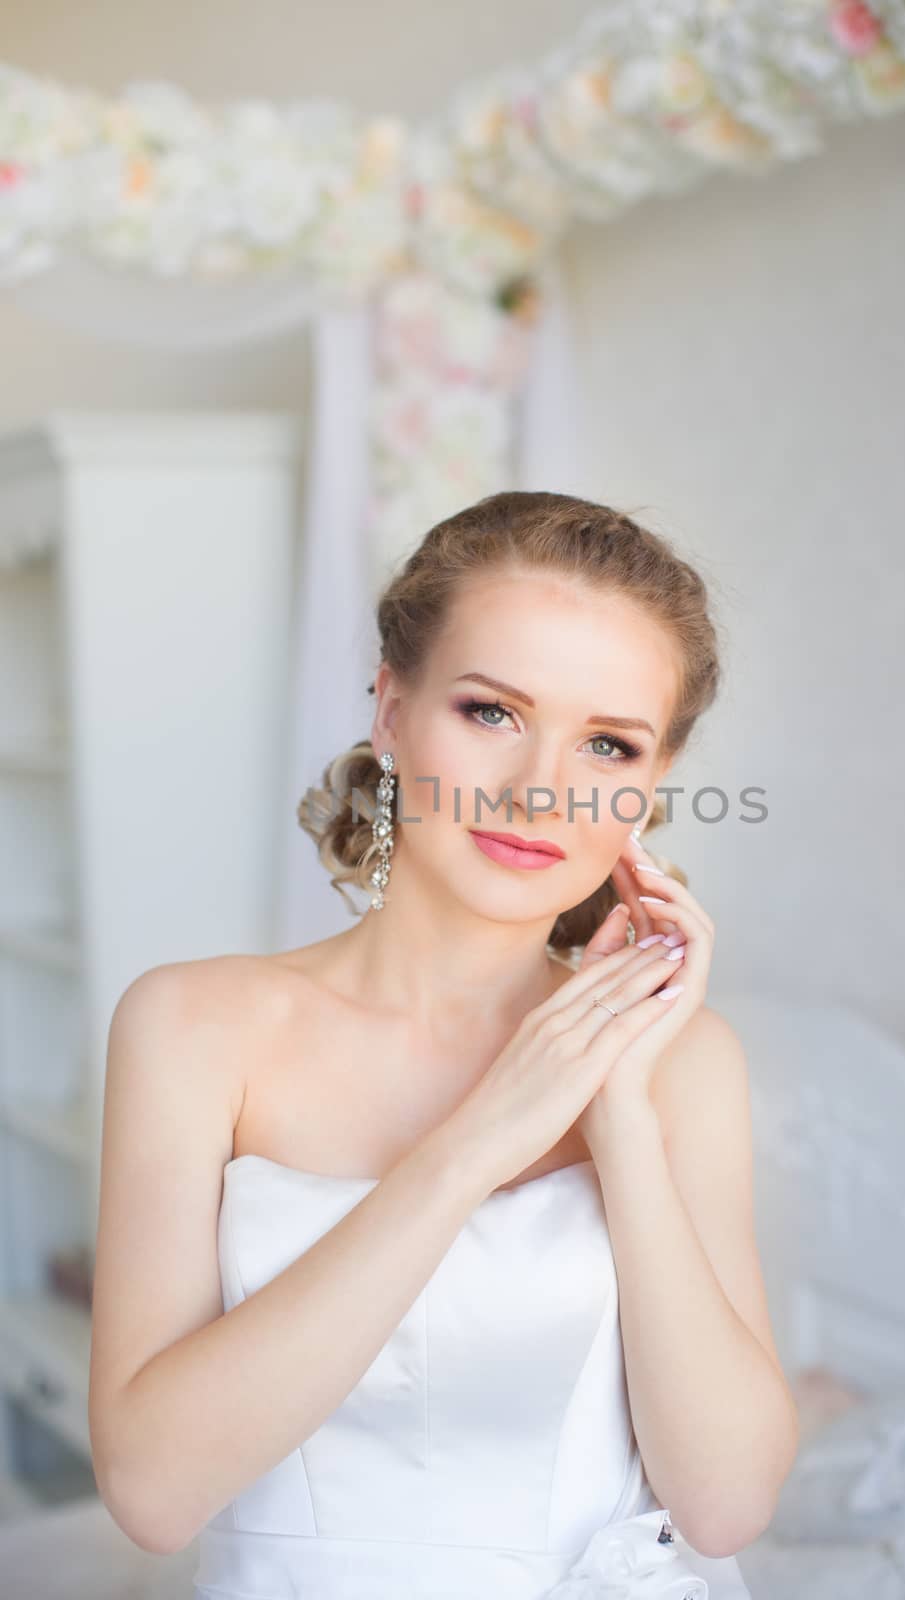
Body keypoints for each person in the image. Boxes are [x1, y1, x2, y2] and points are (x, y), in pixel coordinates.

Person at [89, 491, 797, 1598]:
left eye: (607, 743)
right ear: (389, 709)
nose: (540, 791)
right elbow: (152, 1494)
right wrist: (476, 1140)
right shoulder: (189, 1028)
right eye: (491, 713)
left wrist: (615, 1111)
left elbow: (722, 1506)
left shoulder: (683, 1062)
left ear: (646, 791)